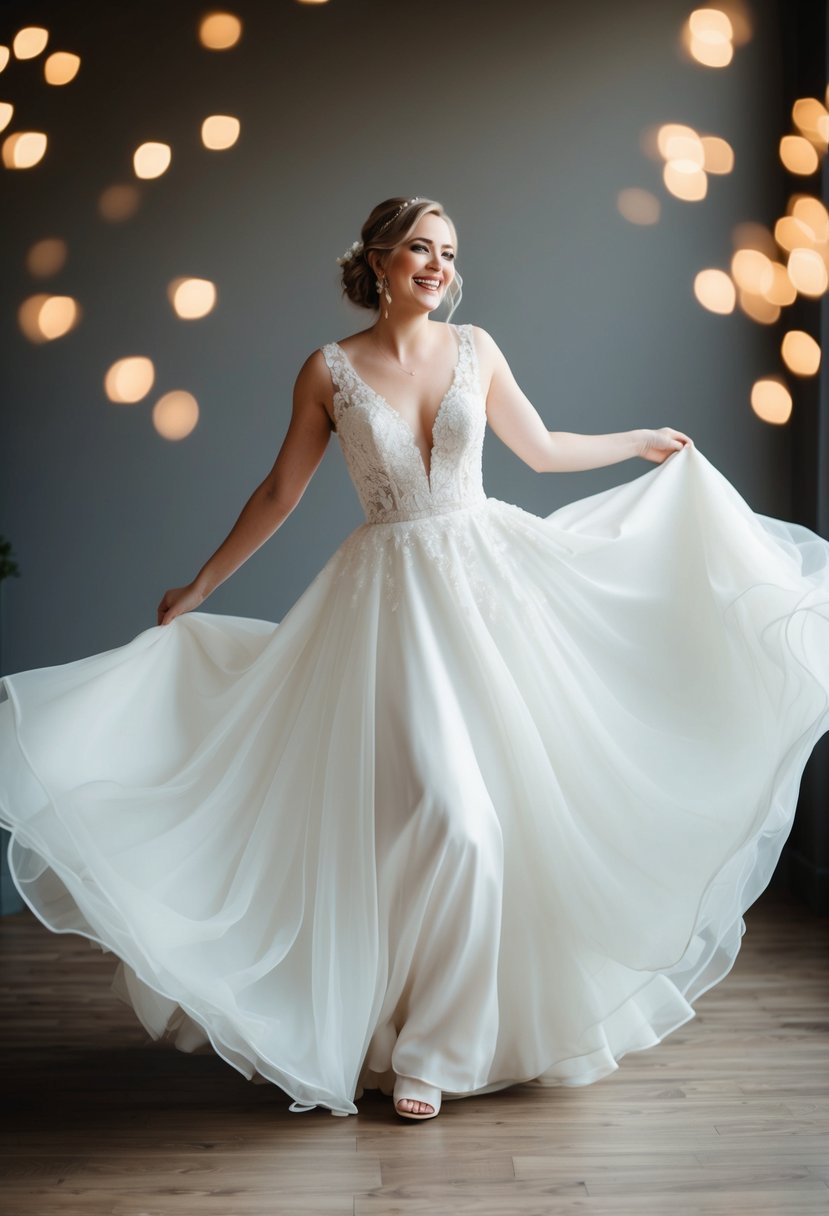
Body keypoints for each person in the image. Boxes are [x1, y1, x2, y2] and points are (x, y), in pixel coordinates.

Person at [1, 196, 827, 1123]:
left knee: (509, 814)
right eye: (419, 250)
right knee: (448, 819)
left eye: (448, 252)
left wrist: (637, 443)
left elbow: (542, 450)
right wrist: (200, 584)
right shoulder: (327, 369)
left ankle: (435, 1049)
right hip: (387, 608)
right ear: (379, 260)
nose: (437, 265)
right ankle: (390, 1024)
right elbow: (280, 489)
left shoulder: (476, 348)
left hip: (492, 589)